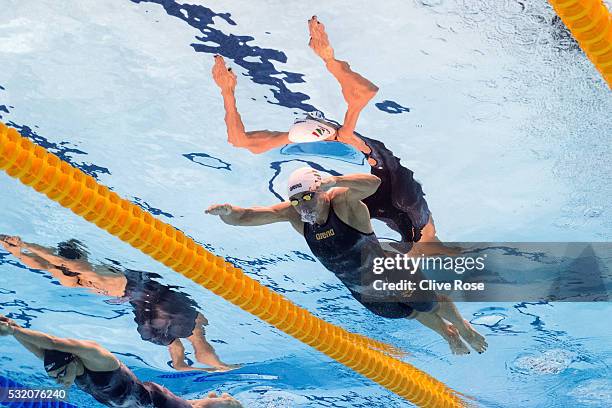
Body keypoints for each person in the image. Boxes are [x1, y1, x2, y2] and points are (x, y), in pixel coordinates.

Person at [211, 16, 450, 255]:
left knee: (418, 232)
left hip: (385, 177)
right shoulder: (314, 137)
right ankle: (425, 252)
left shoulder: (331, 135)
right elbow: (239, 141)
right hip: (377, 185)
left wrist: (227, 92)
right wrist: (227, 91)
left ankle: (427, 251)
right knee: (410, 229)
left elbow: (365, 92)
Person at [206, 167, 487, 355]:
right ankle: (447, 335)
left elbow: (374, 183)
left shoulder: (341, 200)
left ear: (321, 190)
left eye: (308, 197)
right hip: (364, 291)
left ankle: (462, 326)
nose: (303, 205)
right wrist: (228, 212)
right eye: (296, 201)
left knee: (428, 301)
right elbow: (248, 215)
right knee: (411, 313)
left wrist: (336, 181)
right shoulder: (295, 214)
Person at [0, 235, 235, 372]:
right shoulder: (88, 271)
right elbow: (59, 260)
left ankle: (180, 364)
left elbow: (48, 263)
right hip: (150, 295)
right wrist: (23, 246)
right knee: (195, 332)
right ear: (80, 256)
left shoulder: (75, 279)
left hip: (140, 307)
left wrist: (17, 251)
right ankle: (216, 364)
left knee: (170, 340)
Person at [0, 315, 242, 408]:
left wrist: (13, 332)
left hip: (155, 401)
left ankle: (224, 403)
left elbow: (52, 342)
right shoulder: (66, 367)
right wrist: (14, 328)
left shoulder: (98, 357)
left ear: (73, 361)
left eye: (62, 373)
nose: (61, 379)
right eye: (57, 377)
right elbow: (42, 352)